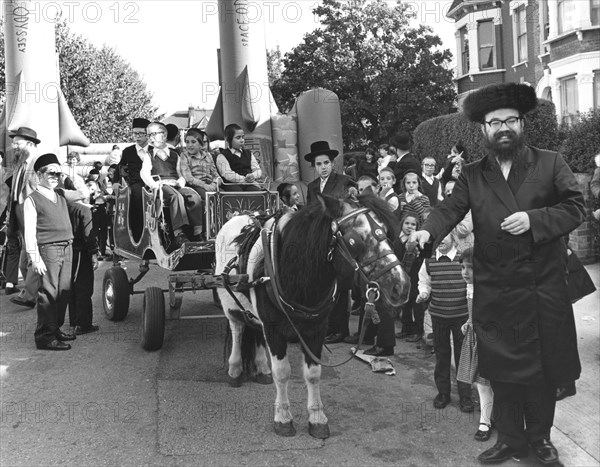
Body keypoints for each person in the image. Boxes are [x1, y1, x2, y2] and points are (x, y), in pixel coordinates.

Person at [410, 82, 585, 466]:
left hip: (542, 290)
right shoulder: (473, 174)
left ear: (521, 124)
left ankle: (540, 440)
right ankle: (510, 440)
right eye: (494, 123)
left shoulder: (550, 161)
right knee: (502, 372)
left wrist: (535, 219)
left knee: (540, 372)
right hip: (496, 290)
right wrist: (428, 229)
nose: (502, 128)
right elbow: (447, 210)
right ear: (484, 130)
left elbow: (575, 207)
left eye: (510, 120)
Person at [304, 140, 357, 344]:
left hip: (340, 240)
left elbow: (352, 207)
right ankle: (326, 327)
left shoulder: (345, 181)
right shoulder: (312, 187)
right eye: (319, 164)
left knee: (341, 285)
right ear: (314, 167)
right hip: (320, 241)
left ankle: (340, 329)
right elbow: (310, 212)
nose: (323, 167)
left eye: (326, 162)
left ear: (333, 163)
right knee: (324, 286)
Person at [416, 231, 474, 412]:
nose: (440, 242)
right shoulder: (429, 261)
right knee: (441, 354)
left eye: (444, 238)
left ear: (453, 238)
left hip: (461, 316)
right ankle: (443, 392)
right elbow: (424, 282)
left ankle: (465, 395)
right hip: (439, 315)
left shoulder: (461, 260)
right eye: (437, 239)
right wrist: (424, 293)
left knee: (463, 356)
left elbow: (471, 283)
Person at [24, 153, 76, 351]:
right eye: (51, 173)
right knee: (48, 293)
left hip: (67, 246)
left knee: (64, 291)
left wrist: (68, 178)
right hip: (49, 249)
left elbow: (82, 193)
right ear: (39, 174)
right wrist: (35, 258)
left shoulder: (60, 194)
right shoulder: (33, 200)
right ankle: (45, 336)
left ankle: (55, 329)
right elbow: (29, 231)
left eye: (58, 173)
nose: (55, 176)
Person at [141, 122, 204, 245]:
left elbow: (181, 173)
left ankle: (198, 231)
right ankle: (178, 233)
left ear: (164, 136)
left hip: (175, 183)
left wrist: (180, 181)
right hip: (160, 184)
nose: (151, 138)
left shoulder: (175, 155)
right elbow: (144, 173)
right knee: (175, 197)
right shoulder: (148, 156)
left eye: (154, 135)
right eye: (149, 136)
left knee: (193, 196)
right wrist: (155, 185)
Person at [456, 247, 494, 442]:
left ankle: (490, 417)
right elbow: (474, 313)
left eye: (470, 267)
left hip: (489, 338)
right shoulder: (470, 288)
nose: (465, 272)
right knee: (481, 382)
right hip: (475, 335)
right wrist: (469, 322)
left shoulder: (486, 289)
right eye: (462, 267)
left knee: (487, 380)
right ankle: (485, 419)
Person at [3, 127, 41, 300]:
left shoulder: (39, 163)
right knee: (25, 261)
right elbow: (14, 193)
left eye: (17, 143)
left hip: (33, 214)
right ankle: (33, 293)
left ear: (30, 144)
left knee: (31, 256)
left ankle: (31, 295)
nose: (14, 146)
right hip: (19, 214)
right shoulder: (20, 164)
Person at [113, 117, 151, 241]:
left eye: (141, 133)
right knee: (138, 195)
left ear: (148, 135)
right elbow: (119, 168)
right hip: (136, 184)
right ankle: (138, 235)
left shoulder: (154, 150)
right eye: (135, 133)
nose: (137, 136)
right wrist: (115, 183)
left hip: (153, 182)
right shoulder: (128, 151)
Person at [67, 197, 100, 335]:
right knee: (84, 288)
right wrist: (94, 253)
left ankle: (74, 320)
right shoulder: (84, 209)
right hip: (81, 251)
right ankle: (83, 323)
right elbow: (88, 233)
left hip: (67, 250)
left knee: (72, 287)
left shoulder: (64, 207)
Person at [395, 212, 425, 343]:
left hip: (415, 275)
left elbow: (421, 259)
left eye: (413, 224)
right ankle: (406, 328)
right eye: (407, 223)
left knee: (416, 303)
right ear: (402, 224)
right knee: (405, 302)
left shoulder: (417, 240)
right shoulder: (398, 239)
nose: (409, 226)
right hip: (402, 274)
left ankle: (418, 330)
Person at [216, 123, 262, 191]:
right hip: (231, 184)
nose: (242, 140)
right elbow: (228, 174)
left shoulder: (248, 153)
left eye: (242, 137)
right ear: (227, 139)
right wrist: (244, 179)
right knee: (238, 194)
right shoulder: (222, 156)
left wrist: (252, 176)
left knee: (256, 192)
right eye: (238, 137)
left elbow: (257, 170)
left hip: (249, 183)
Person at [180, 128, 221, 201]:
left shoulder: (208, 155)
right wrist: (204, 185)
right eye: (187, 142)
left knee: (225, 196)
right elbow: (188, 177)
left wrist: (214, 184)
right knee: (209, 198)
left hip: (210, 184)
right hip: (196, 185)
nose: (190, 145)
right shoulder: (184, 156)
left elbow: (215, 174)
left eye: (193, 142)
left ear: (201, 144)